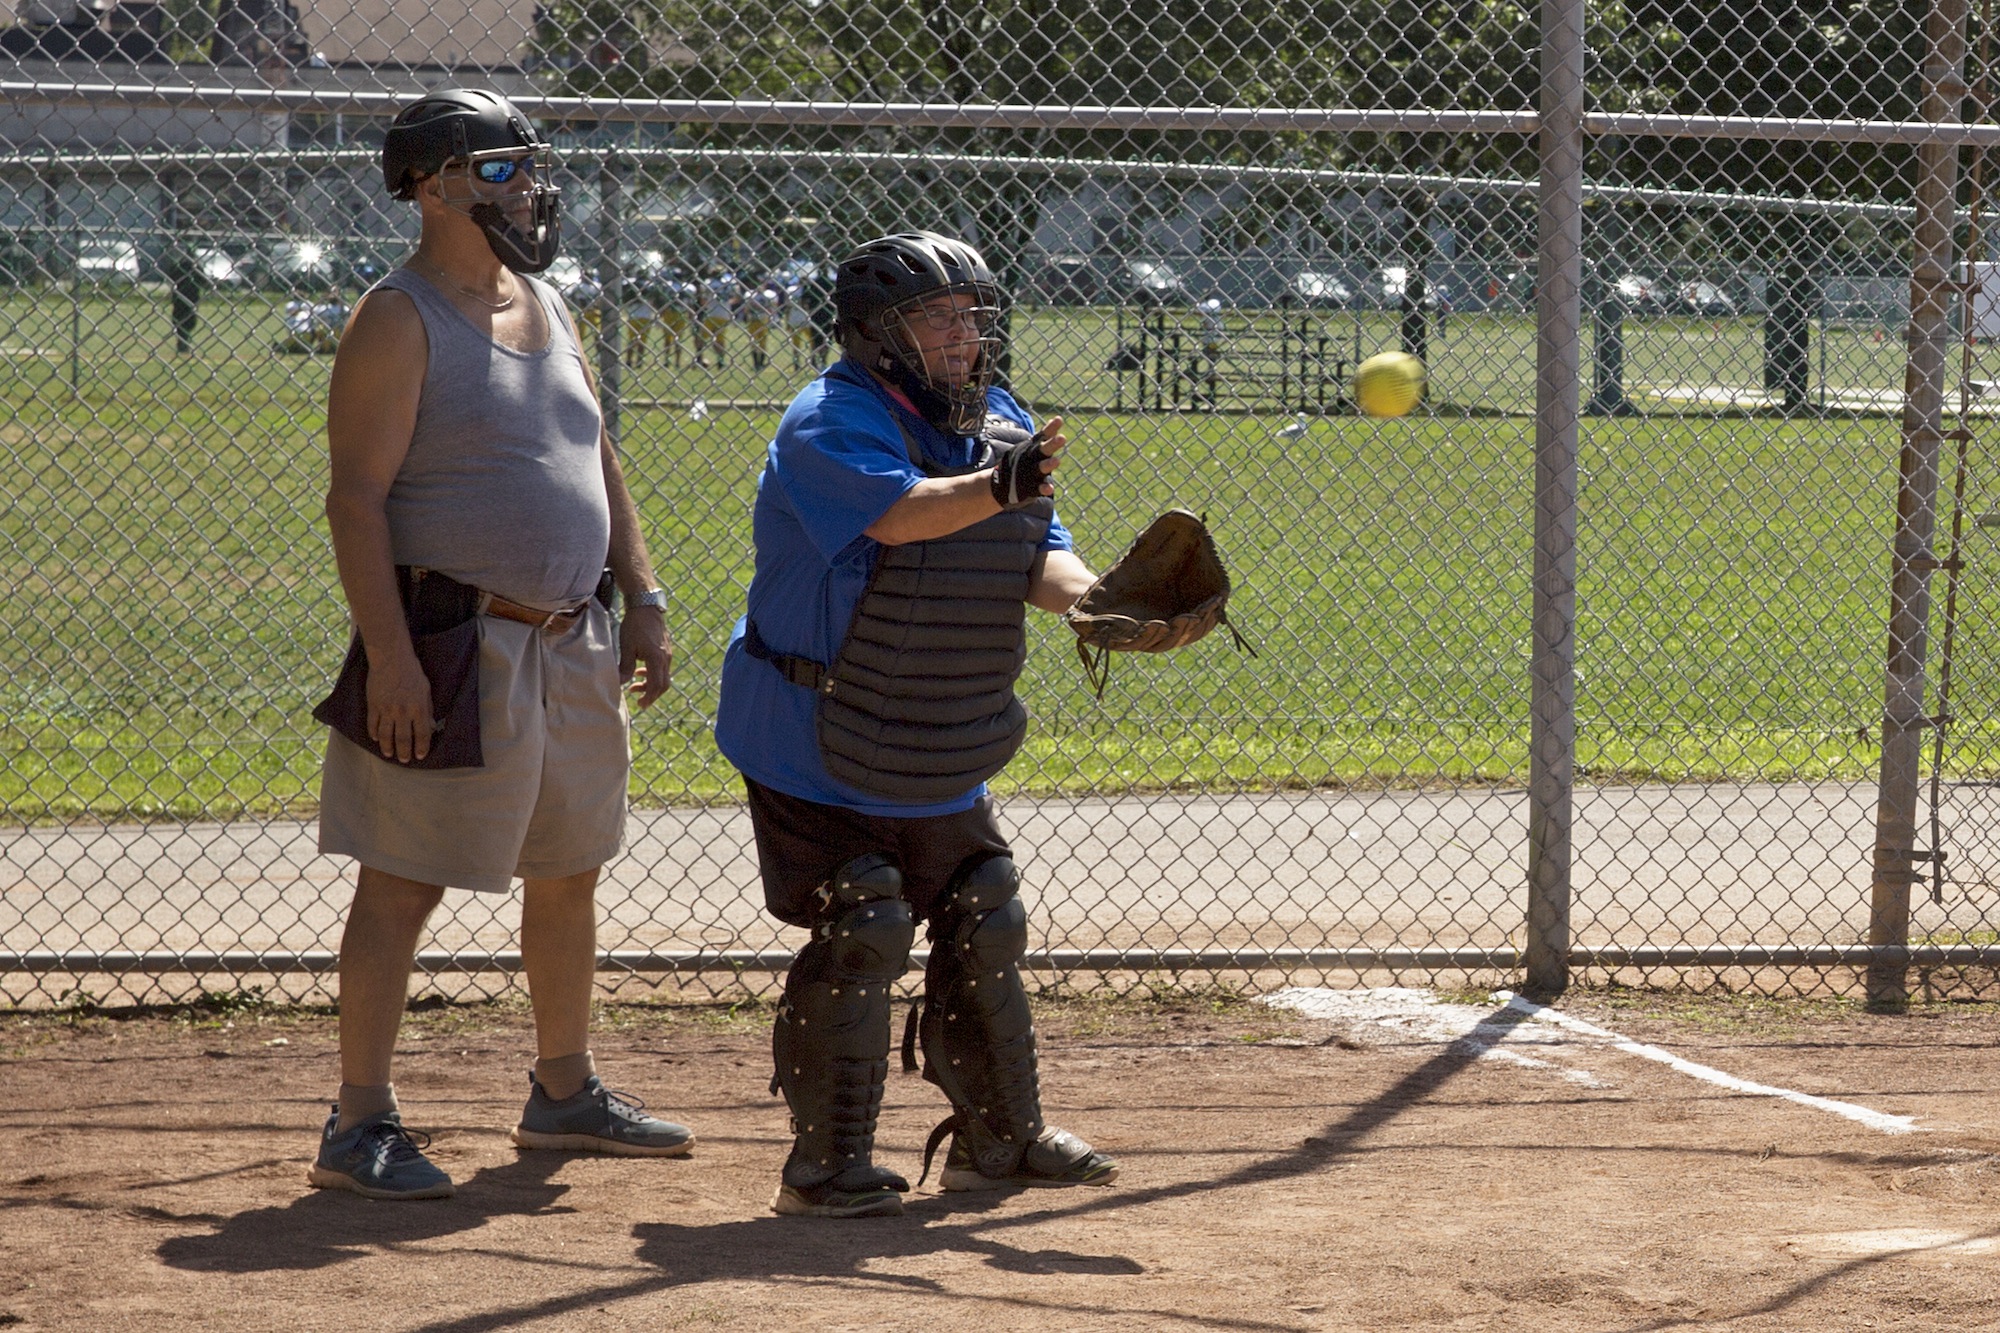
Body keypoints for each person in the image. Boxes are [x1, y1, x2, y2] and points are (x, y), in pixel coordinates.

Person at [311, 87, 692, 1201]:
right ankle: (357, 1119)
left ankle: (563, 1089)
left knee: (569, 871)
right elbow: (354, 501)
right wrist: (391, 658)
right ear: (431, 187)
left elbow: (596, 452)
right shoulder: (398, 317)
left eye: (529, 165)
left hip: (571, 637)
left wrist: (643, 591)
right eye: (500, 168)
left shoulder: (545, 298)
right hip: (452, 641)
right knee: (403, 881)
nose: (529, 187)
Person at [714, 230, 1120, 1219]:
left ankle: (1001, 1139)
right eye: (936, 317)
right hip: (812, 732)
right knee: (867, 914)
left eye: (971, 316)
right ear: (875, 333)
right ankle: (825, 1165)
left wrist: (1105, 607)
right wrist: (997, 484)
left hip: (934, 722)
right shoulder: (829, 419)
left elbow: (1036, 551)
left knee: (988, 909)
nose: (961, 334)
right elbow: (898, 516)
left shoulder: (998, 421)